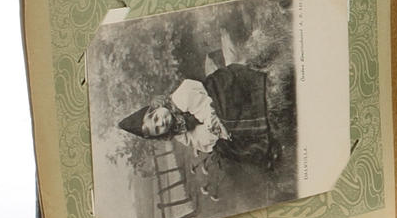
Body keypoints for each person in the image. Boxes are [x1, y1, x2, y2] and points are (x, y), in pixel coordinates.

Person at [118, 61, 280, 171]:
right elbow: (199, 141)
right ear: (160, 135)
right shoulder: (178, 134)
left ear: (157, 107)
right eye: (158, 129)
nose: (161, 123)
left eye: (156, 118)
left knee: (227, 117)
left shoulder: (179, 98)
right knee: (225, 147)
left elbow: (204, 108)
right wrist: (214, 134)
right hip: (210, 122)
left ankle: (262, 119)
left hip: (216, 94)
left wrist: (215, 126)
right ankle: (266, 149)